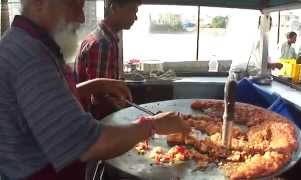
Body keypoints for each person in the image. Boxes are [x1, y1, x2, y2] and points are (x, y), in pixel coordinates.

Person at [0, 0, 190, 180]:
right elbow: (87, 143)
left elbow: (52, 102)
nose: (82, 17)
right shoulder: (31, 58)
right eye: (75, 4)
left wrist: (96, 84)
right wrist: (154, 124)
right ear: (39, 2)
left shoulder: (28, 44)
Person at [74, 0, 141, 119]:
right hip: (96, 122)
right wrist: (128, 116)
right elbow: (99, 100)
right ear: (114, 7)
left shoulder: (106, 38)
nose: (135, 18)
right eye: (132, 10)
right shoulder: (102, 43)